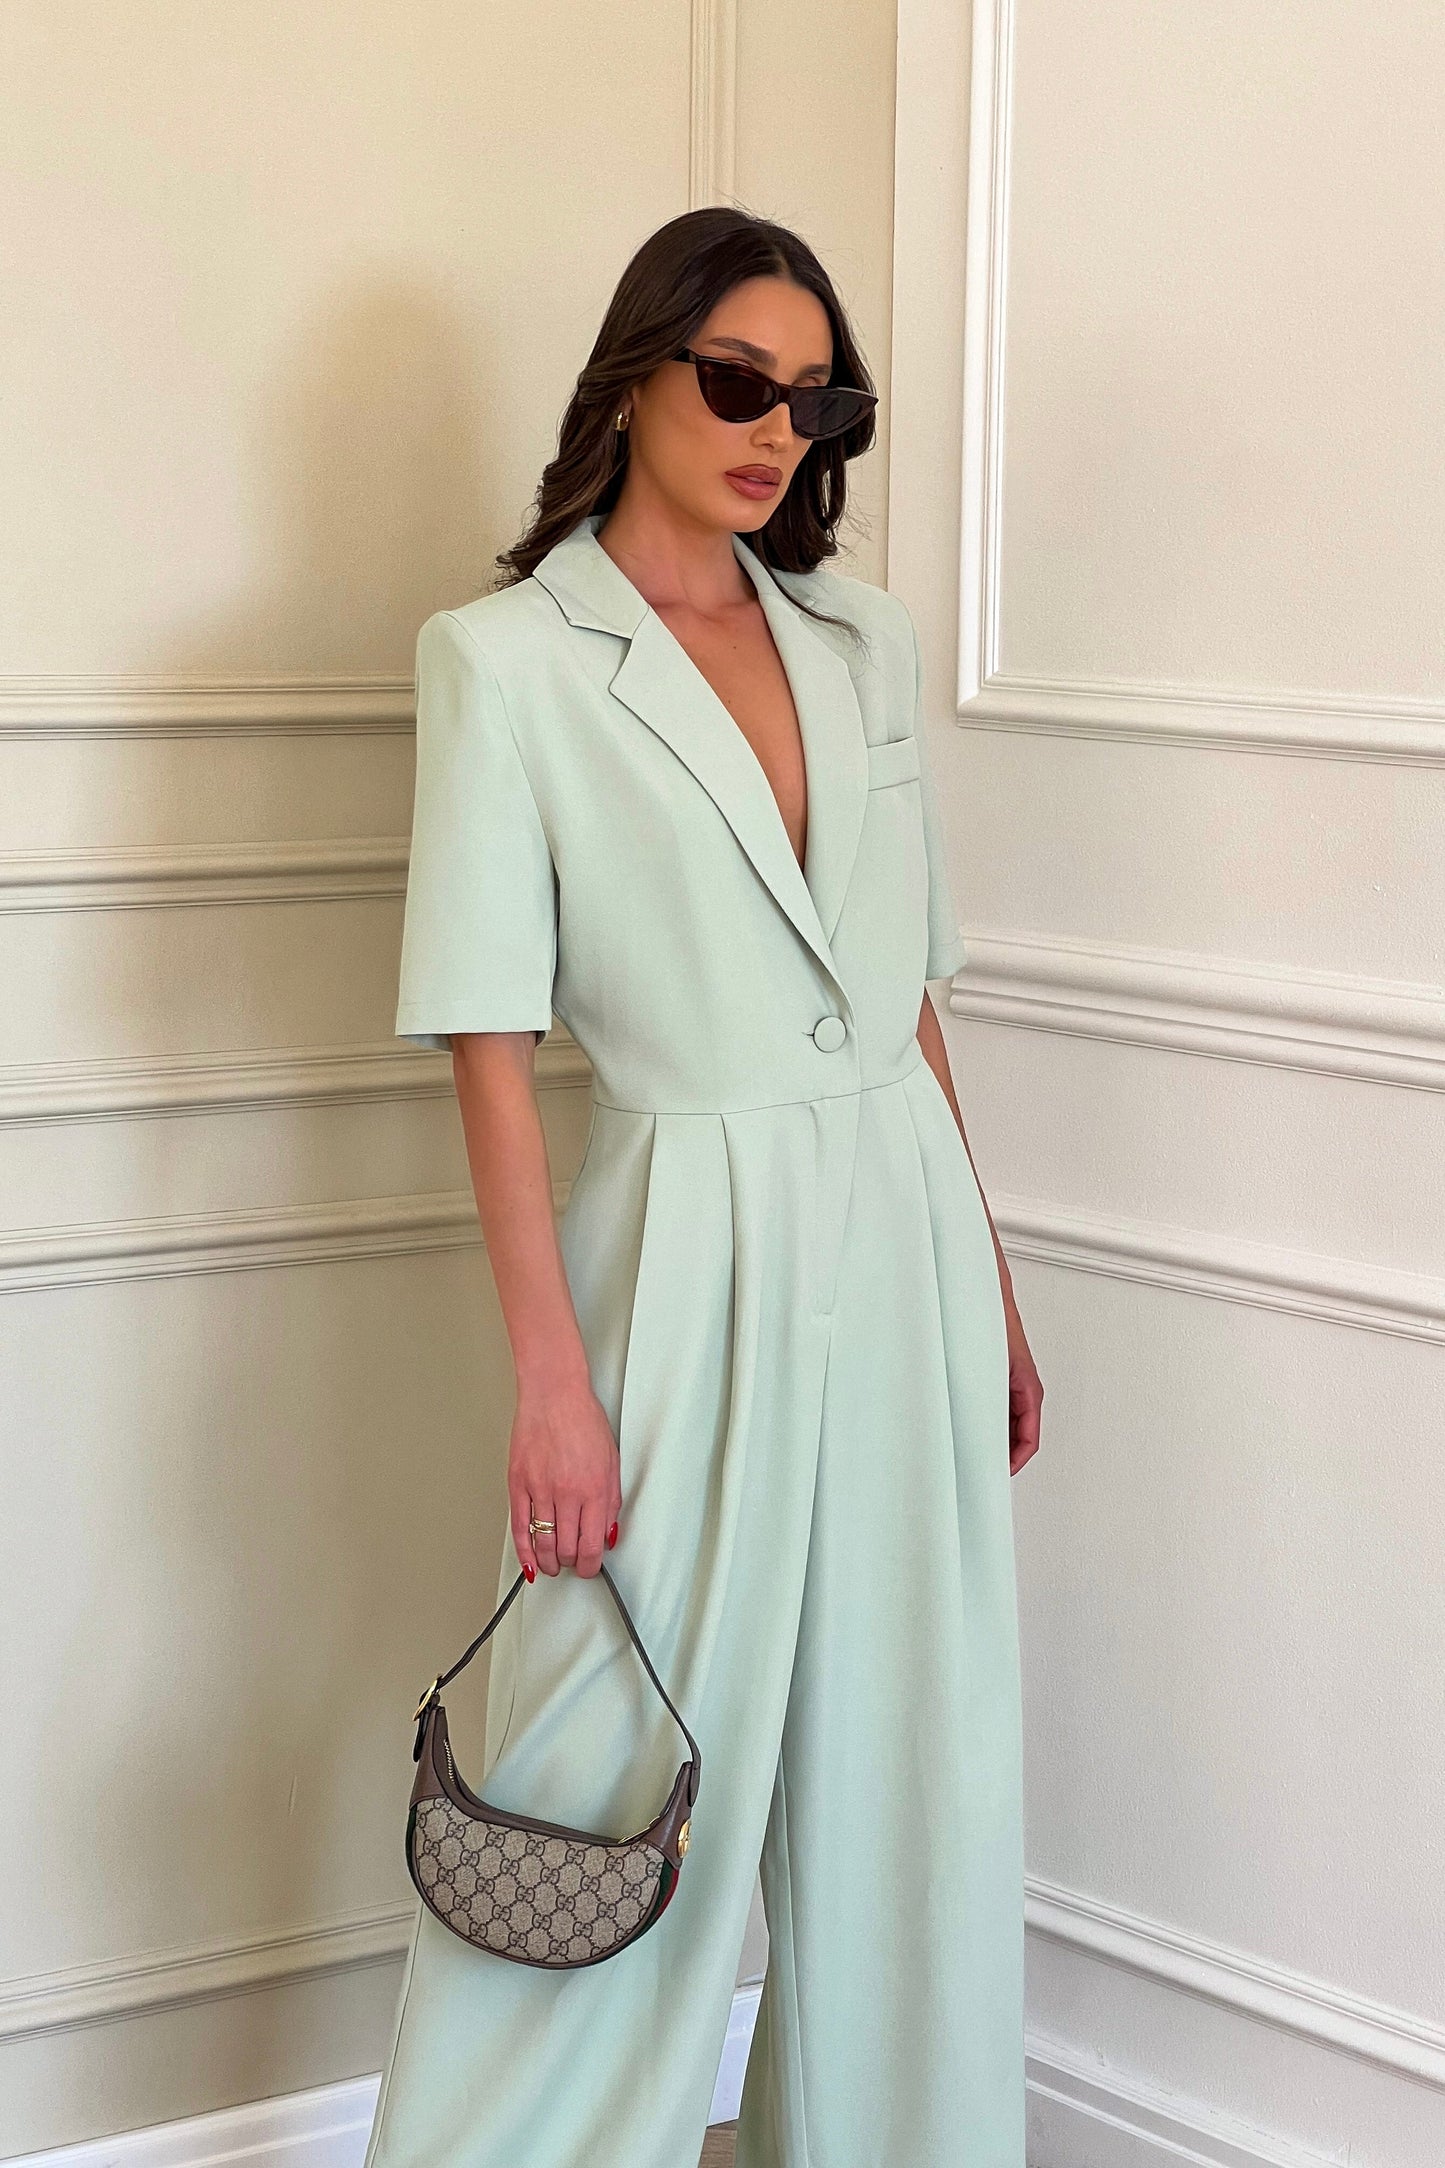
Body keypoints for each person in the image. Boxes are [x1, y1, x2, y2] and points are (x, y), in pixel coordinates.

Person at [362, 204, 1042, 2168]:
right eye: (739, 382)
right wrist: (550, 1383)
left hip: (901, 1234)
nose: (775, 433)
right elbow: (488, 1042)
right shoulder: (508, 661)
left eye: (817, 403)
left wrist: (988, 1286)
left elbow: (905, 995)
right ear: (636, 373)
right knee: (599, 1761)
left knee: (912, 1773)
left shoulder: (861, 640)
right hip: (680, 1246)